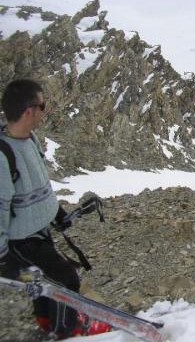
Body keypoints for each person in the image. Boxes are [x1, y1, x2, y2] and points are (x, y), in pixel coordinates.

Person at [0, 78, 111, 338]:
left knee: (43, 281)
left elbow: (40, 183)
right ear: (29, 111)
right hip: (21, 241)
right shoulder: (2, 155)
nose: (45, 110)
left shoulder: (30, 139)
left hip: (38, 233)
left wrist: (56, 212)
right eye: (43, 105)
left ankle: (46, 320)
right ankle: (66, 329)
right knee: (65, 278)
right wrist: (3, 256)